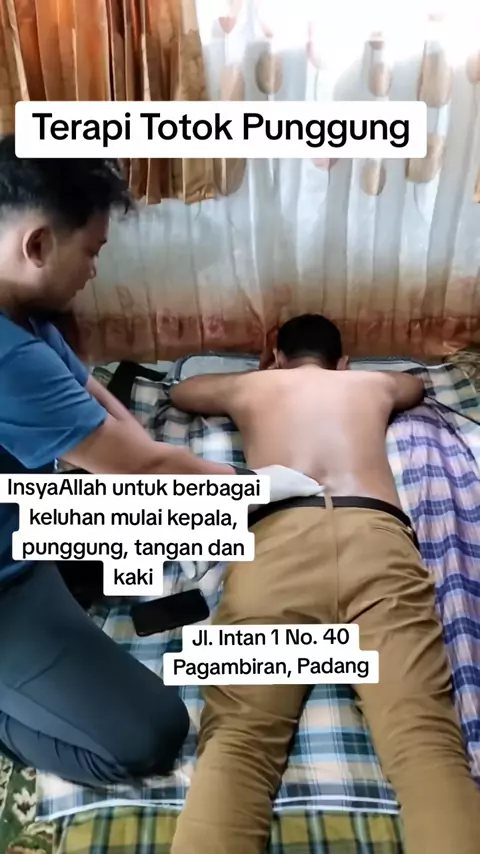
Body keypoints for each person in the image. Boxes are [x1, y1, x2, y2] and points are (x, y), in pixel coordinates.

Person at [169, 313, 480, 854]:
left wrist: (262, 375)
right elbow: (415, 385)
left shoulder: (251, 386)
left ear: (278, 357)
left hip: (277, 542)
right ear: (342, 362)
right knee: (425, 744)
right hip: (376, 538)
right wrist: (351, 376)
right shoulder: (371, 384)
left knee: (239, 744)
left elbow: (182, 392)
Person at [0, 134, 242, 787]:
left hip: (24, 525)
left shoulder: (21, 309)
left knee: (153, 541)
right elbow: (140, 467)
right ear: (38, 245)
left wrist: (154, 465)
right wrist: (250, 485)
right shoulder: (6, 355)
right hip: (8, 577)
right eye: (92, 253)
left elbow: (94, 399)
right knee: (149, 736)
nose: (94, 272)